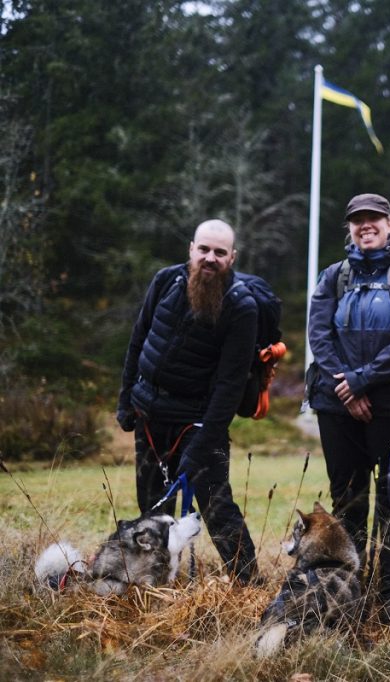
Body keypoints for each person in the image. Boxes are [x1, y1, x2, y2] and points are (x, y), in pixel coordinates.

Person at [306, 193, 390, 622]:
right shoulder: (334, 276)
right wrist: (347, 386)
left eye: (374, 219)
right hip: (336, 405)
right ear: (349, 227)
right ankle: (347, 596)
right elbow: (319, 335)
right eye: (357, 220)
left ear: (389, 223)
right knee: (347, 502)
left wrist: (363, 381)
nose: (366, 225)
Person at [117, 219, 259, 584]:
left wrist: (205, 440)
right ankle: (155, 583)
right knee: (151, 507)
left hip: (196, 423)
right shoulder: (166, 280)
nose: (210, 258)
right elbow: (138, 339)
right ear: (191, 249)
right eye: (204, 249)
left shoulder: (242, 307)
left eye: (220, 252)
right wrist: (126, 399)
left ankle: (247, 585)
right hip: (149, 415)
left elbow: (230, 385)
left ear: (233, 257)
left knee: (218, 509)